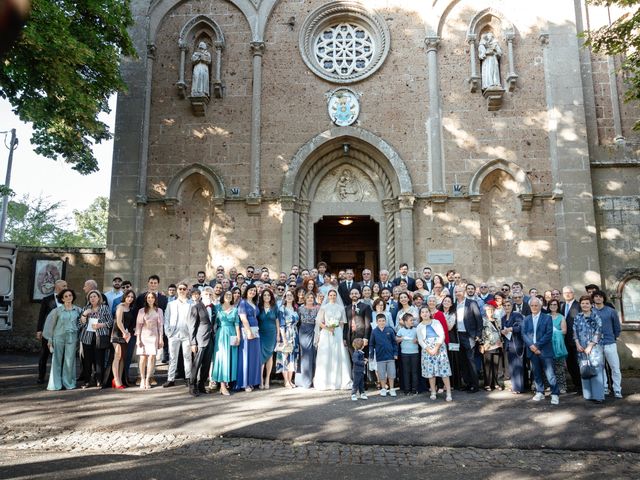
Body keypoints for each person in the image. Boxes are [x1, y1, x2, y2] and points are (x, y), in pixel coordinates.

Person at [522, 297, 559, 405]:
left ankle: (555, 394)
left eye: (536, 305)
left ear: (540, 306)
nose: (534, 307)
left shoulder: (547, 318)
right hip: (532, 350)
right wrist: (531, 346)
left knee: (550, 374)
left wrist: (537, 346)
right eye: (532, 305)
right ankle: (540, 392)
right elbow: (523, 334)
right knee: (536, 373)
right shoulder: (526, 319)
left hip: (545, 350)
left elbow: (548, 334)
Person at [313, 289, 352, 390]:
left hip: (338, 332)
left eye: (334, 295)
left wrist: (340, 334)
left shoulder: (341, 308)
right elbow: (319, 321)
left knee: (337, 354)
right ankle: (325, 382)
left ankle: (339, 381)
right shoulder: (324, 308)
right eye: (331, 295)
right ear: (328, 296)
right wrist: (328, 328)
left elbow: (342, 322)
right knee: (326, 355)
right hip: (326, 333)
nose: (333, 297)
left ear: (336, 296)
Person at [44, 288, 81, 391]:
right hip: (58, 337)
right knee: (56, 361)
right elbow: (50, 325)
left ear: (73, 297)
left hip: (72, 338)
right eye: (66, 296)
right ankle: (55, 384)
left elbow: (82, 323)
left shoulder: (78, 310)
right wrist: (50, 339)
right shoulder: (56, 311)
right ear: (62, 299)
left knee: (69, 361)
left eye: (70, 295)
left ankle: (69, 383)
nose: (69, 297)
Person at [78, 290, 114, 389]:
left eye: (94, 296)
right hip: (87, 337)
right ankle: (86, 381)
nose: (92, 298)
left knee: (99, 360)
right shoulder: (85, 308)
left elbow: (110, 322)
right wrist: (85, 314)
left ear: (99, 298)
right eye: (90, 297)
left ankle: (99, 380)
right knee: (87, 360)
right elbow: (80, 324)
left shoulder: (104, 308)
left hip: (100, 337)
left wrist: (101, 325)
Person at [573, 295, 605, 403]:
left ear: (591, 305)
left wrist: (590, 346)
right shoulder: (578, 316)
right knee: (585, 369)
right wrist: (577, 344)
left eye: (587, 303)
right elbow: (575, 331)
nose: (585, 305)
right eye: (583, 303)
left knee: (596, 370)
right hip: (581, 348)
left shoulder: (596, 316)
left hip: (594, 348)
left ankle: (598, 396)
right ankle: (588, 395)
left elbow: (599, 331)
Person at [417, 307, 452, 401]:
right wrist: (429, 350)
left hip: (439, 348)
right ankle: (433, 391)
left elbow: (442, 334)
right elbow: (420, 340)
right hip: (427, 350)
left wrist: (436, 348)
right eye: (422, 312)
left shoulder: (436, 322)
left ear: (429, 313)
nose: (425, 314)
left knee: (444, 371)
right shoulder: (419, 326)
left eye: (426, 312)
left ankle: (448, 392)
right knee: (430, 372)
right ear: (420, 315)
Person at [592, 290, 622, 398]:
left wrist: (613, 337)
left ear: (603, 298)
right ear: (593, 298)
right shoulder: (591, 311)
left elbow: (617, 328)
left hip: (610, 342)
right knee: (600, 367)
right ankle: (604, 387)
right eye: (596, 296)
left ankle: (617, 389)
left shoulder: (611, 311)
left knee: (615, 367)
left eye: (600, 296)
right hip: (596, 344)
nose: (598, 298)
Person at [163, 282, 193, 388]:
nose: (182, 291)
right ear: (177, 290)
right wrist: (168, 333)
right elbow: (166, 319)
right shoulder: (171, 304)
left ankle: (188, 378)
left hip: (187, 335)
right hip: (173, 334)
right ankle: (170, 379)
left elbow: (193, 320)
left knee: (187, 357)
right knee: (172, 357)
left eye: (184, 289)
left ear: (187, 290)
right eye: (180, 289)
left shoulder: (191, 304)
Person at [37, 279, 67, 384]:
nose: (66, 288)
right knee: (44, 354)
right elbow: (41, 315)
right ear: (57, 287)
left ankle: (59, 376)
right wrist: (39, 330)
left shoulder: (67, 299)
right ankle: (41, 376)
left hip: (62, 332)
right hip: (48, 331)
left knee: (60, 355)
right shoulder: (47, 299)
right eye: (64, 286)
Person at [453, 286, 482, 393]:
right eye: (456, 292)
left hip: (469, 336)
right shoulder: (454, 304)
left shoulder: (471, 303)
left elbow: (479, 319)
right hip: (458, 336)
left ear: (464, 292)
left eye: (459, 291)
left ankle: (475, 385)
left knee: (471, 361)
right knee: (463, 362)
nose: (457, 293)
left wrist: (478, 335)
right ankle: (467, 383)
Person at [211, 290, 240, 395]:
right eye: (227, 294)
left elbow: (237, 323)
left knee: (230, 359)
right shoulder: (217, 307)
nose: (228, 296)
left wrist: (238, 337)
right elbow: (215, 322)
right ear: (223, 296)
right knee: (222, 358)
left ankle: (226, 383)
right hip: (221, 334)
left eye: (230, 295)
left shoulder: (235, 309)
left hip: (232, 334)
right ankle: (222, 385)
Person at [135, 292, 164, 390]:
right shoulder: (141, 311)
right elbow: (138, 326)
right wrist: (138, 339)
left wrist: (161, 338)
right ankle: (142, 378)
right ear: (146, 299)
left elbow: (160, 326)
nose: (150, 299)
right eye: (148, 297)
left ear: (155, 299)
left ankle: (148, 379)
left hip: (154, 336)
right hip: (143, 336)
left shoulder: (159, 310)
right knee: (143, 358)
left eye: (152, 297)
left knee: (151, 358)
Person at [189, 288, 214, 397]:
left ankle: (201, 384)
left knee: (207, 364)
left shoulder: (213, 308)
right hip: (200, 340)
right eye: (206, 293)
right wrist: (193, 343)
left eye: (210, 294)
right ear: (202, 295)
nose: (208, 295)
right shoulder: (196, 307)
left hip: (211, 339)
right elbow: (191, 326)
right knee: (196, 364)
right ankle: (192, 385)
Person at [236, 285, 262, 392]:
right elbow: (243, 318)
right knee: (246, 356)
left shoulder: (254, 303)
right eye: (251, 290)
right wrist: (249, 332)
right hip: (247, 331)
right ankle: (245, 383)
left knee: (253, 357)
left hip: (255, 331)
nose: (253, 292)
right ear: (246, 291)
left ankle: (251, 381)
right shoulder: (243, 302)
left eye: (254, 291)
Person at [500, 299, 527, 394]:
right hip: (508, 345)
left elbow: (522, 327)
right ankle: (515, 386)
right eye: (505, 306)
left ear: (512, 306)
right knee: (512, 367)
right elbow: (502, 329)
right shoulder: (503, 318)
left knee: (518, 366)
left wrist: (511, 329)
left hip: (517, 344)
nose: (507, 307)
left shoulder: (517, 315)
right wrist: (502, 332)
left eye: (508, 305)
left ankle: (519, 388)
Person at [369, 313, 398, 397]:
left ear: (386, 321)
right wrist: (371, 355)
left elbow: (394, 343)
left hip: (390, 356)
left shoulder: (389, 330)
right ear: (376, 322)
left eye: (383, 321)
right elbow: (371, 344)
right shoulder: (374, 332)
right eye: (380, 321)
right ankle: (383, 389)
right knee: (381, 374)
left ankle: (392, 389)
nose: (382, 322)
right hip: (380, 356)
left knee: (391, 373)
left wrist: (395, 353)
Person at [111, 289, 135, 389]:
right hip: (117, 334)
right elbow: (119, 322)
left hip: (126, 336)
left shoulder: (130, 308)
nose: (130, 298)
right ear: (125, 296)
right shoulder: (120, 306)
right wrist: (124, 332)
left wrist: (129, 331)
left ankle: (119, 379)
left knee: (122, 359)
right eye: (128, 296)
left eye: (132, 297)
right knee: (117, 356)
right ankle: (116, 380)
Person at [276, 290, 299, 388]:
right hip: (286, 334)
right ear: (284, 298)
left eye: (291, 295)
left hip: (295, 334)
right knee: (285, 357)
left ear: (293, 297)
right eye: (287, 295)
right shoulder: (282, 309)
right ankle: (286, 381)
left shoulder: (295, 309)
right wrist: (284, 339)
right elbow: (281, 324)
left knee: (293, 358)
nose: (289, 297)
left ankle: (290, 380)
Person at [296, 292, 320, 388]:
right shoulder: (300, 308)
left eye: (312, 297)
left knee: (314, 354)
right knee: (305, 354)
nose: (310, 299)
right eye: (308, 297)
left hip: (314, 330)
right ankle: (305, 380)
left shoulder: (318, 309)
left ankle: (314, 379)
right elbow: (297, 322)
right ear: (305, 299)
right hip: (303, 332)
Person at [561, 286, 582, 393]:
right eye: (565, 293)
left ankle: (581, 386)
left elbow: (577, 324)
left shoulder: (578, 305)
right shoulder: (563, 305)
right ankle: (576, 384)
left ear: (573, 293)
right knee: (570, 364)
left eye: (569, 292)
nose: (567, 294)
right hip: (565, 341)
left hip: (576, 341)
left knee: (578, 364)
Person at [480, 300, 504, 391]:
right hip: (487, 346)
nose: (489, 312)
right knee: (487, 366)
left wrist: (501, 342)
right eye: (488, 310)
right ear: (485, 310)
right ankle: (487, 384)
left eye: (491, 310)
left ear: (494, 310)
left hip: (497, 345)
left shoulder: (497, 320)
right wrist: (481, 344)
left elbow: (499, 331)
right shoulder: (483, 320)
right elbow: (481, 333)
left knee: (496, 365)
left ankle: (495, 383)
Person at [257, 288, 278, 390]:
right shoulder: (259, 307)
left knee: (270, 357)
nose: (266, 297)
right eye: (264, 295)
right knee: (261, 357)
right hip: (261, 334)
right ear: (262, 297)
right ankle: (260, 379)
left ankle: (267, 379)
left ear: (271, 297)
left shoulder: (274, 307)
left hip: (272, 334)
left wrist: (278, 335)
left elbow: (277, 321)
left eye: (268, 295)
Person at [548, 298, 568, 394]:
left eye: (555, 304)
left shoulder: (561, 317)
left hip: (558, 345)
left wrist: (555, 332)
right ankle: (550, 386)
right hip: (548, 345)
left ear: (558, 306)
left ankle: (562, 386)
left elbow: (564, 331)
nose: (553, 306)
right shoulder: (546, 316)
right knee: (549, 367)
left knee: (559, 367)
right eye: (551, 304)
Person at [396, 312, 419, 395]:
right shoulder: (401, 330)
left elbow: (420, 340)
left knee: (414, 371)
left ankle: (414, 389)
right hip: (404, 353)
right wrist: (401, 338)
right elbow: (396, 339)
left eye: (413, 320)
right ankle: (407, 389)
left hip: (415, 353)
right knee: (406, 371)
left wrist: (417, 341)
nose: (412, 322)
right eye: (411, 320)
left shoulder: (416, 329)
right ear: (405, 322)